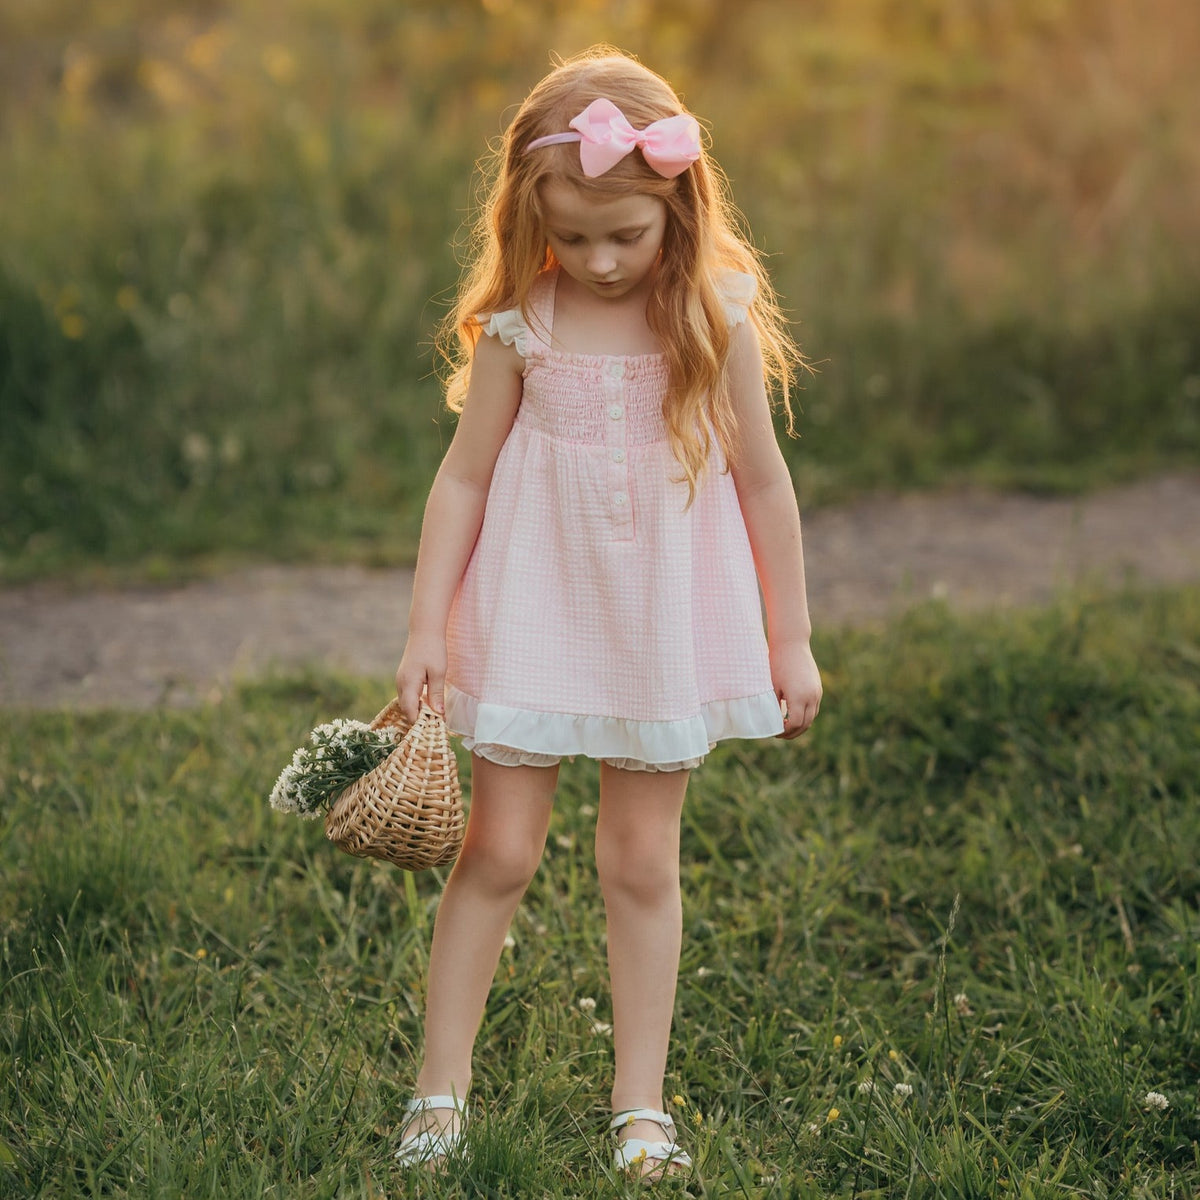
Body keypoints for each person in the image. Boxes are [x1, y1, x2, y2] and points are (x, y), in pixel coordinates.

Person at [392, 45, 822, 1179]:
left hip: (654, 625)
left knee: (640, 859)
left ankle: (640, 1104)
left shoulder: (713, 317)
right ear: (530, 215)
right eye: (571, 236)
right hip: (534, 608)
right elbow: (465, 479)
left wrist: (791, 638)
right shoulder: (521, 326)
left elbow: (762, 480)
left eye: (623, 236)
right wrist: (427, 626)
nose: (595, 260)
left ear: (678, 211)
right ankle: (440, 1090)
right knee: (498, 848)